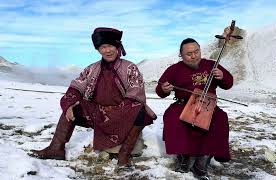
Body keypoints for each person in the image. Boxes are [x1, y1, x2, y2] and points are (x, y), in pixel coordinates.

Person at [31, 27, 157, 169]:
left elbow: (136, 92)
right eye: (103, 47)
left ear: (117, 47)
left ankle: (124, 155)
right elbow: (76, 86)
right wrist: (70, 103)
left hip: (123, 113)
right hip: (98, 113)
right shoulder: (92, 68)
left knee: (139, 110)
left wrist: (120, 112)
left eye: (110, 46)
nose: (107, 50)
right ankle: (56, 148)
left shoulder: (130, 67)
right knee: (72, 107)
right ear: (98, 50)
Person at [155, 38, 233, 179]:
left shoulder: (211, 65)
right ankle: (183, 158)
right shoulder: (174, 69)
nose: (194, 55)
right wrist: (164, 88)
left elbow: (228, 84)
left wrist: (222, 76)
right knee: (172, 117)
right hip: (183, 103)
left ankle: (203, 161)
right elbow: (160, 91)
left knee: (220, 119)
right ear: (181, 55)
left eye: (196, 51)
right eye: (189, 53)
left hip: (207, 104)